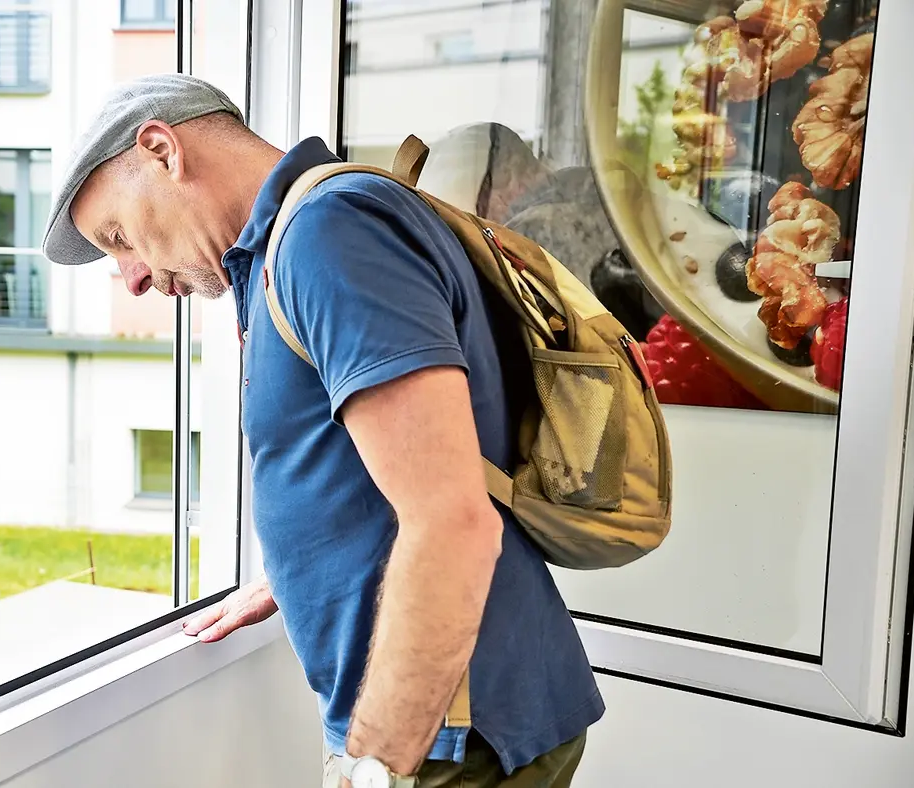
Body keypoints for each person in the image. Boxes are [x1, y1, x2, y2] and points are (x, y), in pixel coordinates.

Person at [41, 74, 603, 788]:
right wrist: (301, 565)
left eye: (118, 237)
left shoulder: (329, 236)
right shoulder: (285, 248)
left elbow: (450, 520)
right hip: (447, 724)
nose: (133, 278)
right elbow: (380, 458)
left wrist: (371, 766)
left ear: (161, 151)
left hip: (451, 736)